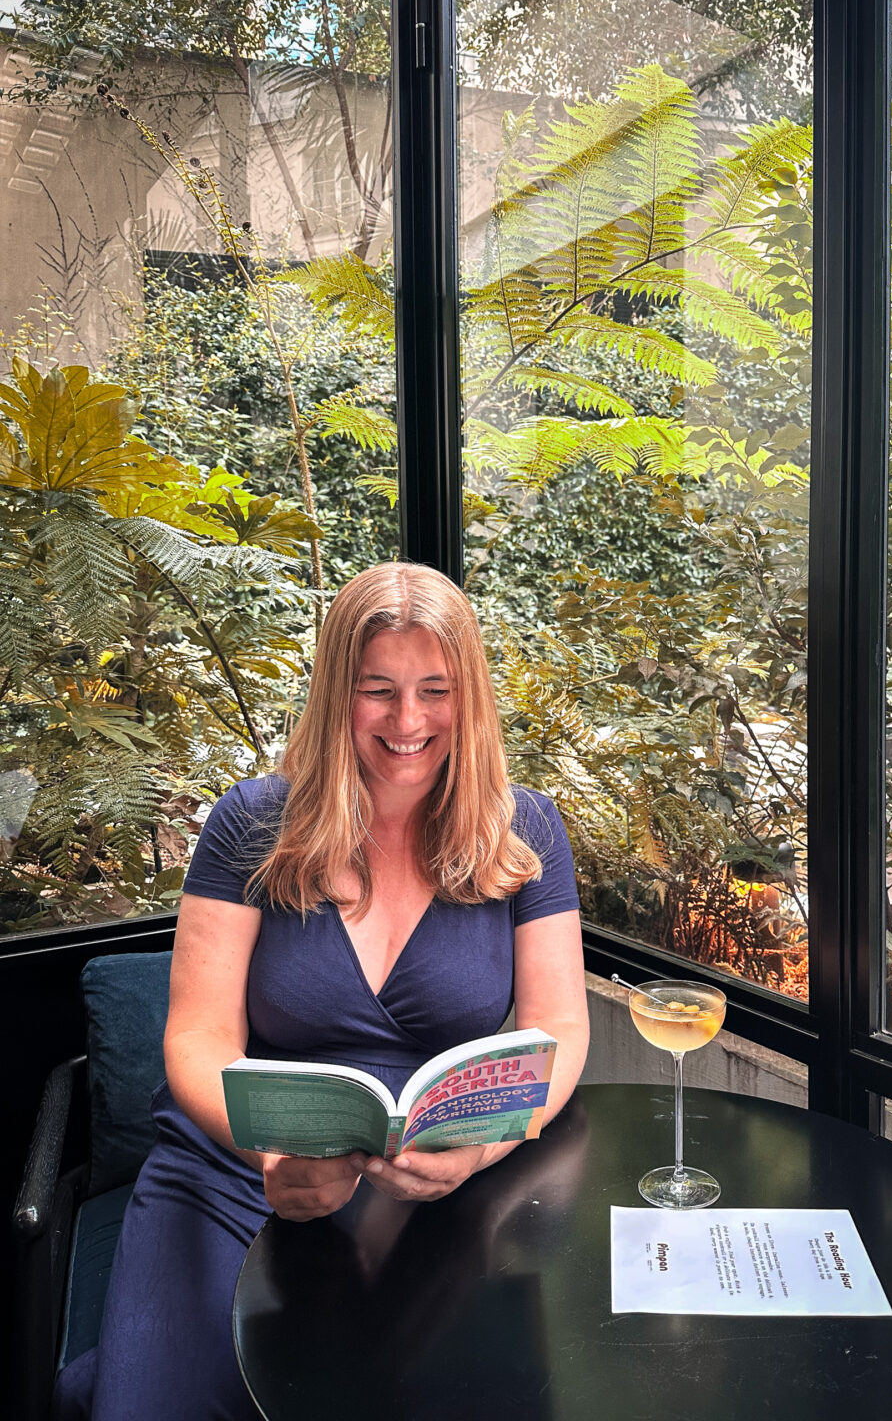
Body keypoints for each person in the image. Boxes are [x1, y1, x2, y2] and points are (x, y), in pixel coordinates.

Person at [55, 562, 590, 1421]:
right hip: (236, 1169)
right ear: (337, 690)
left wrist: (483, 1153)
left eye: (434, 690)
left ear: (470, 696)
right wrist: (268, 1159)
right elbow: (196, 1039)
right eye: (377, 690)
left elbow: (559, 1025)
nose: (408, 721)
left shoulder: (524, 831)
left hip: (433, 1182)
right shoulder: (253, 824)